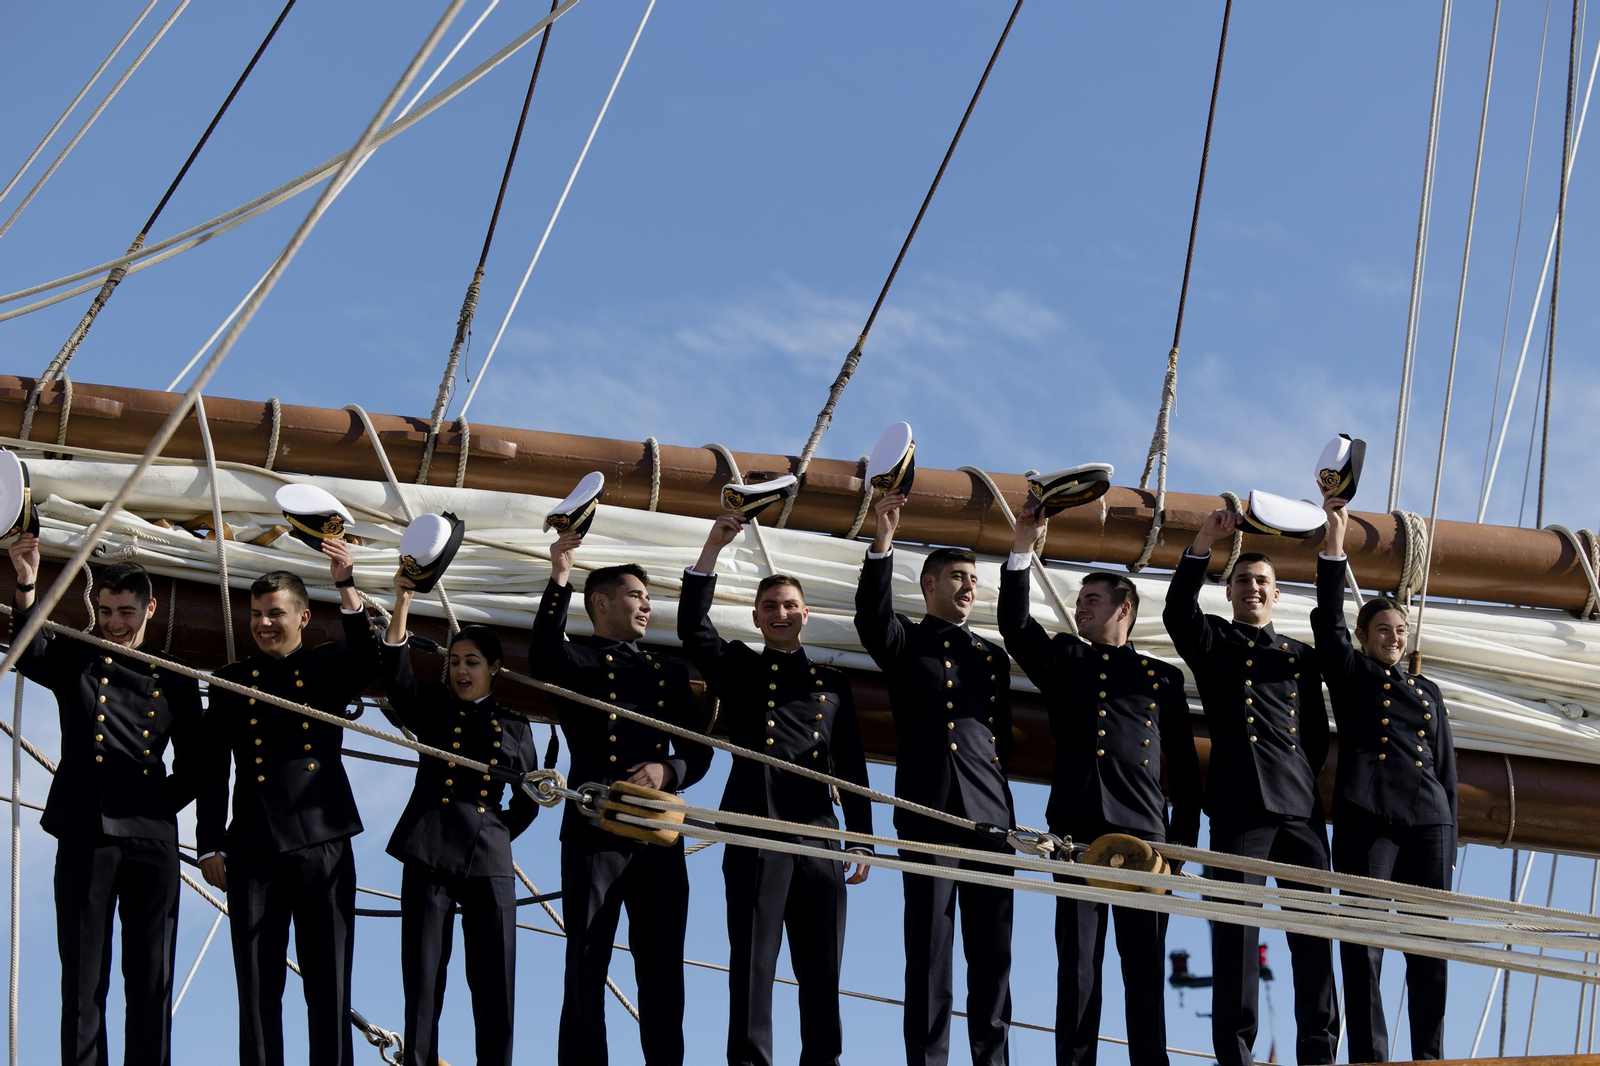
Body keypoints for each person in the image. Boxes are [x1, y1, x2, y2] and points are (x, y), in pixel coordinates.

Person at [997, 501, 1201, 1066]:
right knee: (1079, 971)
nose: (1080, 608)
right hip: (1078, 836)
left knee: (1144, 975)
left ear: (1124, 609)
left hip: (1145, 840)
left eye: (1091, 600)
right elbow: (1016, 626)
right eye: (1080, 600)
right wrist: (1022, 549)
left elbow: (1183, 768)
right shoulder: (1066, 659)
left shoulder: (1162, 678)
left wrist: (1180, 847)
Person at [680, 514, 875, 1066]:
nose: (781, 613)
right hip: (754, 827)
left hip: (817, 835)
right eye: (771, 606)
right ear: (757, 617)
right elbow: (695, 628)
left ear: (805, 614)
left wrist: (861, 838)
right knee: (752, 964)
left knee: (822, 970)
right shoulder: (740, 667)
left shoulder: (833, 685)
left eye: (790, 605)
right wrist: (713, 545)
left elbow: (852, 769)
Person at [7, 544, 202, 1066]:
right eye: (108, 612)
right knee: (83, 982)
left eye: (126, 613)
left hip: (150, 841)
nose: (114, 624)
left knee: (150, 981)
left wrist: (156, 803)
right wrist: (27, 583)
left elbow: (200, 763)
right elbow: (27, 650)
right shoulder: (77, 656)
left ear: (150, 609)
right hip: (85, 831)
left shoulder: (176, 676)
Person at [1162, 513, 1339, 1066]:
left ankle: (1318, 1052)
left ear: (1277, 593)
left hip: (1299, 808)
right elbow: (1177, 613)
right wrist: (1202, 544)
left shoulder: (1299, 658)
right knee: (1236, 936)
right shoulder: (1212, 642)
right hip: (1239, 808)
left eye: (1262, 581)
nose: (1253, 588)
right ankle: (1235, 1055)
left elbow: (1313, 734)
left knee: (1313, 934)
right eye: (1243, 581)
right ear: (1231, 591)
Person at [530, 534, 713, 1066]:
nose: (647, 604)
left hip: (657, 835)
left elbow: (699, 755)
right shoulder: (577, 663)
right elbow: (542, 654)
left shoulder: (668, 673)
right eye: (636, 595)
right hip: (593, 834)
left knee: (662, 968)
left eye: (648, 597)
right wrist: (560, 575)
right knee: (584, 961)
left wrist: (668, 769)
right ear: (602, 603)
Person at [195, 548, 378, 1066]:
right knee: (256, 987)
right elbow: (214, 772)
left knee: (328, 982)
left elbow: (368, 660)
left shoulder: (327, 665)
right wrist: (209, 843)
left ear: (302, 617)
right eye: (255, 614)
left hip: (322, 841)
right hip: (253, 848)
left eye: (275, 613)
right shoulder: (231, 682)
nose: (264, 624)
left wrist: (347, 585)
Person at [854, 492, 1015, 1066]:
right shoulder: (905, 641)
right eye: (956, 577)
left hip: (991, 820)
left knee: (993, 955)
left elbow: (1002, 740)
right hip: (928, 813)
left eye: (973, 578)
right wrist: (882, 543)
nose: (968, 586)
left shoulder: (991, 658)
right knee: (929, 949)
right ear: (928, 584)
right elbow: (870, 619)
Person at [1313, 488, 1457, 1063]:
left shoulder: (1430, 693)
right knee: (1364, 941)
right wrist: (1334, 545)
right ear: (1364, 637)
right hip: (1368, 815)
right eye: (1382, 630)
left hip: (1428, 821)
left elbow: (1445, 769)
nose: (1394, 638)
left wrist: (1450, 840)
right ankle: (1370, 1056)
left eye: (1399, 631)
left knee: (1430, 947)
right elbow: (1327, 621)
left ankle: (1429, 1056)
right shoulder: (1351, 675)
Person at [377, 566, 538, 1066]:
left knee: (495, 983)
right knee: (423, 980)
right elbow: (396, 680)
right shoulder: (432, 709)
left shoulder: (515, 727)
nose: (461, 672)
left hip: (489, 858)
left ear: (494, 669)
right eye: (454, 663)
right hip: (428, 851)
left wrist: (493, 831)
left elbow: (530, 797)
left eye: (472, 662)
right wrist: (401, 602)